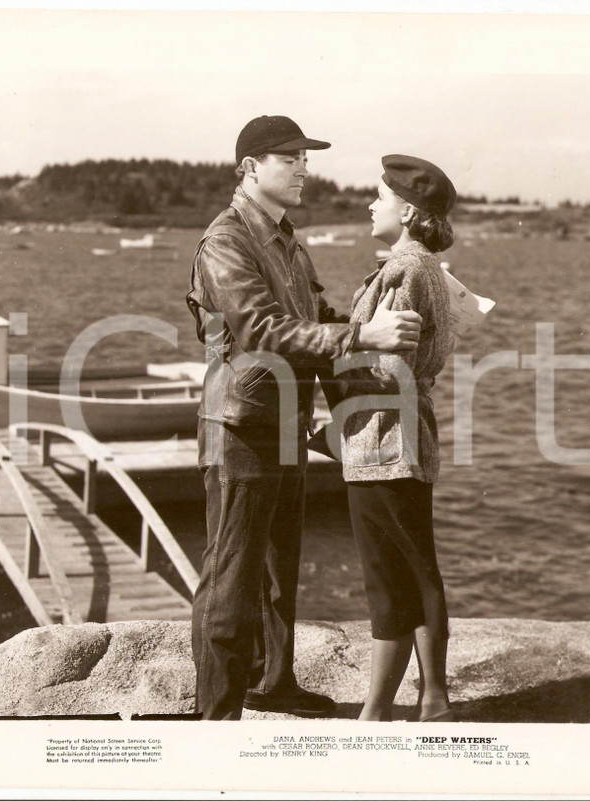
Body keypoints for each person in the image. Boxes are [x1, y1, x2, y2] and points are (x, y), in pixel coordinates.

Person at [185, 116, 423, 720]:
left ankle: (272, 682)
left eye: (303, 157)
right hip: (239, 425)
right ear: (250, 169)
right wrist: (363, 332)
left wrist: (365, 349)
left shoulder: (284, 238)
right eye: (288, 157)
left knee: (275, 569)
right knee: (231, 575)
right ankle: (213, 719)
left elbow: (314, 313)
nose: (302, 167)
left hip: (283, 421)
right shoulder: (226, 241)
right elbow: (260, 329)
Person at [337, 155, 457, 722]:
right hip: (392, 434)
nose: (369, 205)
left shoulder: (405, 270)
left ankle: (414, 703)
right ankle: (407, 703)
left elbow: (391, 367)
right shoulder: (420, 265)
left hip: (385, 435)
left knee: (397, 573)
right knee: (404, 570)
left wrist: (335, 353)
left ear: (407, 212)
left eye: (379, 197)